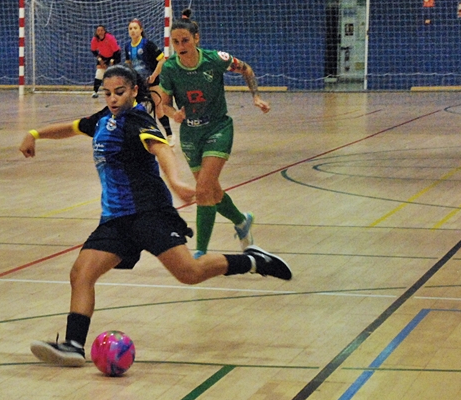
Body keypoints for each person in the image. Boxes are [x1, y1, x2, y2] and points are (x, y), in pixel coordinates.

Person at [19, 65, 291, 367]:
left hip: (149, 213)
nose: (112, 99)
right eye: (107, 93)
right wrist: (35, 134)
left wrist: (175, 182)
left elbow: (162, 149)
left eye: (119, 93)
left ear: (134, 90)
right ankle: (73, 345)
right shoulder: (102, 119)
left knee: (190, 273)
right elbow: (72, 127)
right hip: (115, 220)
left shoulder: (137, 119)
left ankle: (254, 260)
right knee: (81, 274)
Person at [157, 8, 267, 258]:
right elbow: (163, 103)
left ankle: (200, 253)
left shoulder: (216, 59)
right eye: (175, 42)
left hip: (218, 127)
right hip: (190, 134)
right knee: (212, 191)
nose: (180, 45)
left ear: (196, 38)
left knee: (204, 189)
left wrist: (256, 96)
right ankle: (241, 222)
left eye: (185, 40)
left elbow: (246, 69)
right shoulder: (170, 68)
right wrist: (173, 113)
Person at [124, 18, 171, 137]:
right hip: (138, 83)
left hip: (153, 81)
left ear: (141, 30)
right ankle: (142, 134)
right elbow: (129, 64)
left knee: (159, 107)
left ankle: (169, 134)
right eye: (130, 28)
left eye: (135, 28)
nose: (133, 31)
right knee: (136, 108)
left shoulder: (147, 44)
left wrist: (153, 76)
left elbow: (162, 60)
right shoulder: (127, 47)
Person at [90, 24, 121, 98]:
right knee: (99, 73)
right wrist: (100, 59)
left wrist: (112, 61)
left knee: (114, 73)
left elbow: (116, 51)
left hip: (114, 55)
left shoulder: (110, 38)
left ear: (104, 31)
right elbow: (94, 51)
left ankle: (117, 90)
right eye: (98, 31)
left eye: (102, 30)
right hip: (103, 56)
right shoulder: (94, 39)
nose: (100, 32)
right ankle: (95, 91)